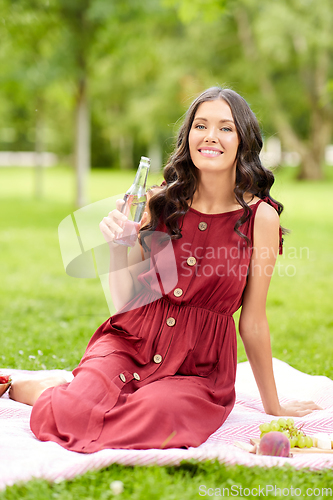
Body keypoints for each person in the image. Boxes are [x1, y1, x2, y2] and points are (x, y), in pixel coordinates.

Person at [8, 87, 320, 452]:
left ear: (243, 141)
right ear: (188, 136)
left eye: (225, 128)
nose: (210, 136)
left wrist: (274, 406)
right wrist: (118, 245)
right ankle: (34, 388)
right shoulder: (158, 203)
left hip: (198, 369)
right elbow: (124, 303)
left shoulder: (259, 218)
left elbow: (252, 320)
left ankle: (65, 392)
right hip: (130, 343)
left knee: (160, 418)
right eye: (200, 125)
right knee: (74, 411)